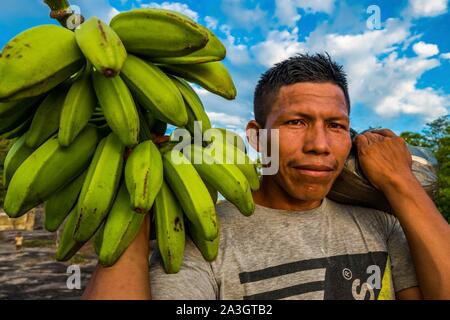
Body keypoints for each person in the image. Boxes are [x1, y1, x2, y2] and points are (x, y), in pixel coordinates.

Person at [83, 53, 450, 300]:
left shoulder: (382, 224)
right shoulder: (207, 238)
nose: (320, 145)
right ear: (256, 136)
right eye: (296, 122)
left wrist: (399, 181)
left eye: (336, 126)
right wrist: (137, 196)